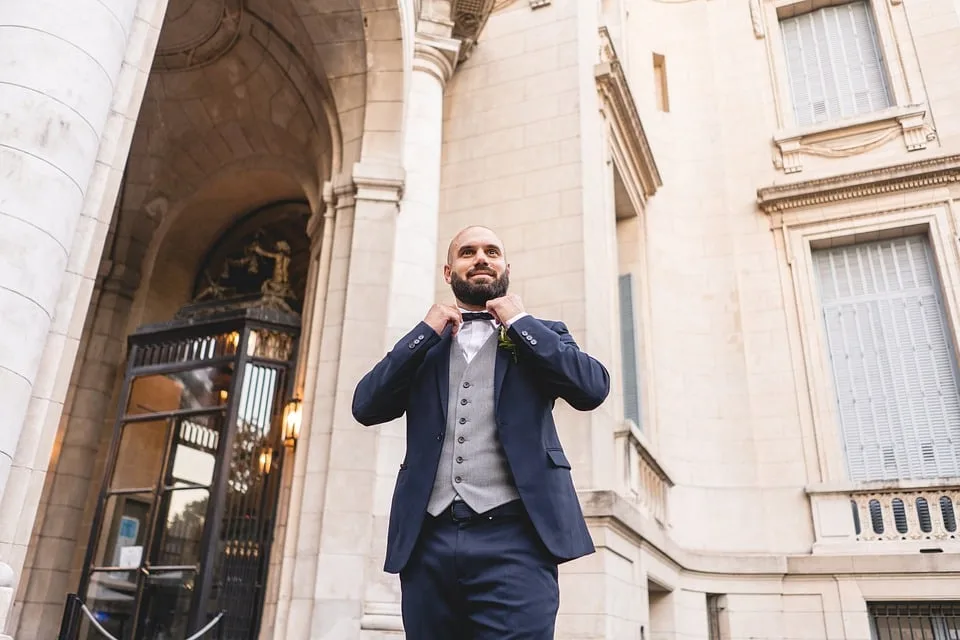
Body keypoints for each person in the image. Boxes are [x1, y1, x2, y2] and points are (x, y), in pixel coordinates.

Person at [352, 226, 610, 639]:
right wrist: (424, 331)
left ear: (507, 267)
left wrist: (521, 321)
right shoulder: (426, 344)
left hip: (516, 541)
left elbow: (592, 389)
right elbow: (365, 406)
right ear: (448, 270)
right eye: (467, 252)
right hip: (428, 542)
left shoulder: (542, 335)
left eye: (492, 251)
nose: (481, 258)